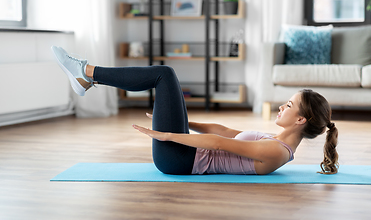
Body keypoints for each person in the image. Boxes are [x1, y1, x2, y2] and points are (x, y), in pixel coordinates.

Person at [51, 46, 339, 175]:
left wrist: (168, 134)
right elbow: (224, 132)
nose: (281, 106)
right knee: (165, 75)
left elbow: (217, 144)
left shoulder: (277, 152)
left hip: (180, 161)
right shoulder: (276, 143)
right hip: (183, 156)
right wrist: (183, 120)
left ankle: (86, 72)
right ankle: (85, 77)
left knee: (164, 74)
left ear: (301, 119)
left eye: (288, 105)